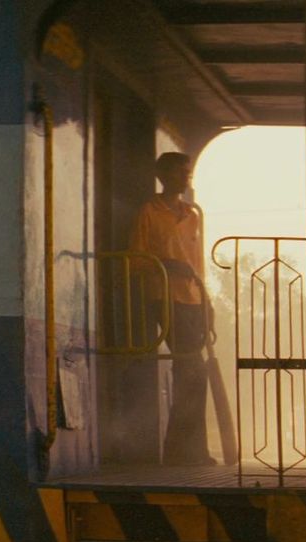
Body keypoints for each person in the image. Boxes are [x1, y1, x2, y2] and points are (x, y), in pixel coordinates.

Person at [129, 152, 213, 466]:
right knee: (194, 368)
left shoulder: (193, 215)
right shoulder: (148, 212)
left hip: (192, 299)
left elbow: (198, 265)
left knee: (191, 371)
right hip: (163, 297)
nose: (186, 177)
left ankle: (185, 450)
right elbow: (137, 259)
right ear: (163, 175)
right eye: (180, 172)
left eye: (188, 173)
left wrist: (207, 301)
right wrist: (169, 265)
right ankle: (184, 451)